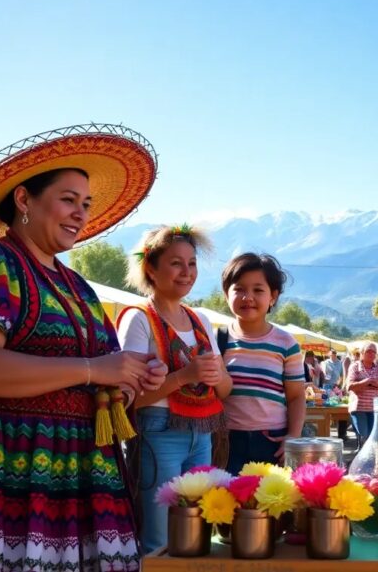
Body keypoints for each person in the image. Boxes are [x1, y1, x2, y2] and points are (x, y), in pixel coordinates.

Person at [0, 124, 166, 571]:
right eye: (68, 199)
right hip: (1, 470)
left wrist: (130, 379)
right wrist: (91, 369)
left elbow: (106, 383)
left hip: (76, 482)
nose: (80, 214)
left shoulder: (78, 289)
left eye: (86, 204)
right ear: (24, 199)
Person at [118, 224, 232, 553]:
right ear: (150, 268)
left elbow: (225, 390)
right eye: (176, 263)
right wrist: (183, 377)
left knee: (197, 532)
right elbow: (129, 400)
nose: (187, 272)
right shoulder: (138, 319)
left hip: (203, 435)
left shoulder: (200, 321)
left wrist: (215, 377)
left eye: (192, 263)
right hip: (157, 433)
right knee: (159, 537)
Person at [219, 253, 306, 473]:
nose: (248, 297)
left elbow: (296, 396)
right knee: (230, 506)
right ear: (226, 294)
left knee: (272, 505)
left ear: (273, 296)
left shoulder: (286, 343)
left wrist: (292, 437)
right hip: (227, 443)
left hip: (273, 443)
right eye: (239, 289)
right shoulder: (217, 340)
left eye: (258, 290)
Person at [346, 342, 378, 446]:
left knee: (375, 438)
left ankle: (373, 460)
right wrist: (366, 382)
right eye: (368, 351)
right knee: (364, 437)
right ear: (362, 353)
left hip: (376, 409)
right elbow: (350, 386)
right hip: (359, 408)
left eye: (374, 352)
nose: (371, 354)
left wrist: (374, 383)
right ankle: (363, 461)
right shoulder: (355, 367)